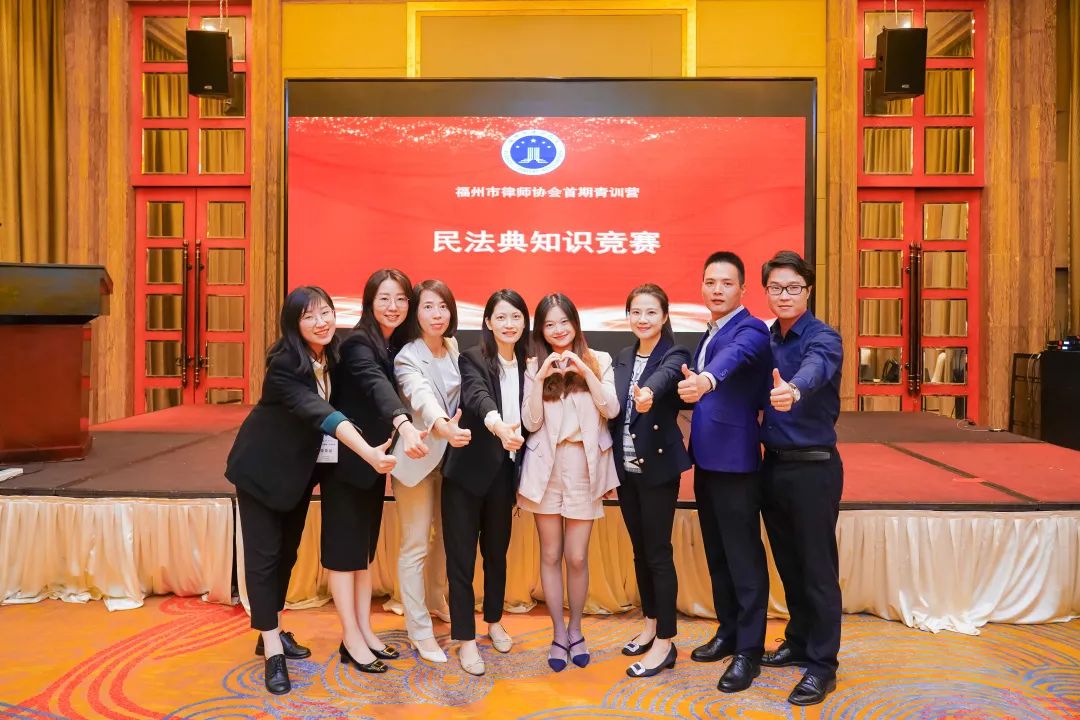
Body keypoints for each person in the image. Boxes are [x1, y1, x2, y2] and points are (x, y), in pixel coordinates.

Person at [225, 286, 396, 695]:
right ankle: (272, 650)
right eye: (309, 317)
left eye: (325, 313)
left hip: (298, 476)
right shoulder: (285, 363)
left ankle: (271, 629)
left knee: (286, 556)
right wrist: (368, 453)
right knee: (264, 559)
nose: (320, 323)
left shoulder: (332, 354)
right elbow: (321, 413)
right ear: (293, 324)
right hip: (261, 471)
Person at [321, 268, 428, 675]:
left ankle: (364, 630)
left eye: (401, 299)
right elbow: (375, 386)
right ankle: (350, 636)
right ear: (369, 301)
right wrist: (403, 423)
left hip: (373, 462)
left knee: (361, 554)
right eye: (384, 298)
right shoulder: (358, 344)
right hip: (347, 462)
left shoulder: (394, 344)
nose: (393, 306)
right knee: (343, 554)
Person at [678, 251, 772, 694]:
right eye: (710, 282)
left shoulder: (750, 329)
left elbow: (733, 359)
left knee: (743, 559)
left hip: (736, 464)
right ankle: (729, 631)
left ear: (742, 289)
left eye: (726, 283)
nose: (717, 290)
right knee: (718, 555)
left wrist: (706, 380)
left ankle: (749, 652)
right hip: (708, 462)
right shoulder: (709, 330)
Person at [758, 250, 844, 707]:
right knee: (789, 564)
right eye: (776, 288)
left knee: (817, 569)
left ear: (808, 290)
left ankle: (823, 665)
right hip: (772, 465)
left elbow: (816, 368)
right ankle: (798, 639)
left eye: (793, 287)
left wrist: (793, 388)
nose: (784, 295)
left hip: (814, 468)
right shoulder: (767, 337)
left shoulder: (823, 336)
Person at [519, 293, 619, 672]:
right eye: (549, 324)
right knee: (550, 554)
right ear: (541, 330)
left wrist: (585, 371)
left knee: (576, 556)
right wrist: (540, 377)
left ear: (575, 323)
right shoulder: (533, 365)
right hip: (545, 466)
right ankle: (558, 633)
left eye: (564, 322)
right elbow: (530, 422)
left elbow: (611, 408)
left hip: (583, 465)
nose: (558, 330)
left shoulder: (599, 360)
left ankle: (577, 629)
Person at [442, 289, 530, 676]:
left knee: (497, 554)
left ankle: (494, 621)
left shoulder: (529, 365)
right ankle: (465, 638)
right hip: (466, 475)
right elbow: (477, 397)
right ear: (488, 322)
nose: (509, 324)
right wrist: (498, 425)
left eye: (516, 317)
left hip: (504, 475)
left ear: (524, 322)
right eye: (501, 317)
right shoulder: (473, 358)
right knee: (461, 560)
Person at [610, 284, 692, 679]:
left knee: (658, 552)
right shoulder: (623, 356)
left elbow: (664, 378)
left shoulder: (676, 353)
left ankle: (666, 641)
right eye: (636, 312)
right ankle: (649, 624)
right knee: (639, 551)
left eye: (651, 312)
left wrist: (648, 395)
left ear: (664, 316)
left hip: (658, 469)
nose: (642, 319)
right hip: (626, 470)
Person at [392, 279, 471, 663]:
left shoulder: (453, 348)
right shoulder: (407, 357)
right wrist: (442, 426)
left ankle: (438, 599)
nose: (436, 314)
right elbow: (421, 396)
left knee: (445, 539)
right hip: (419, 458)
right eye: (427, 306)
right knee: (416, 544)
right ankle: (419, 630)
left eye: (443, 306)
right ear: (415, 312)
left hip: (452, 461)